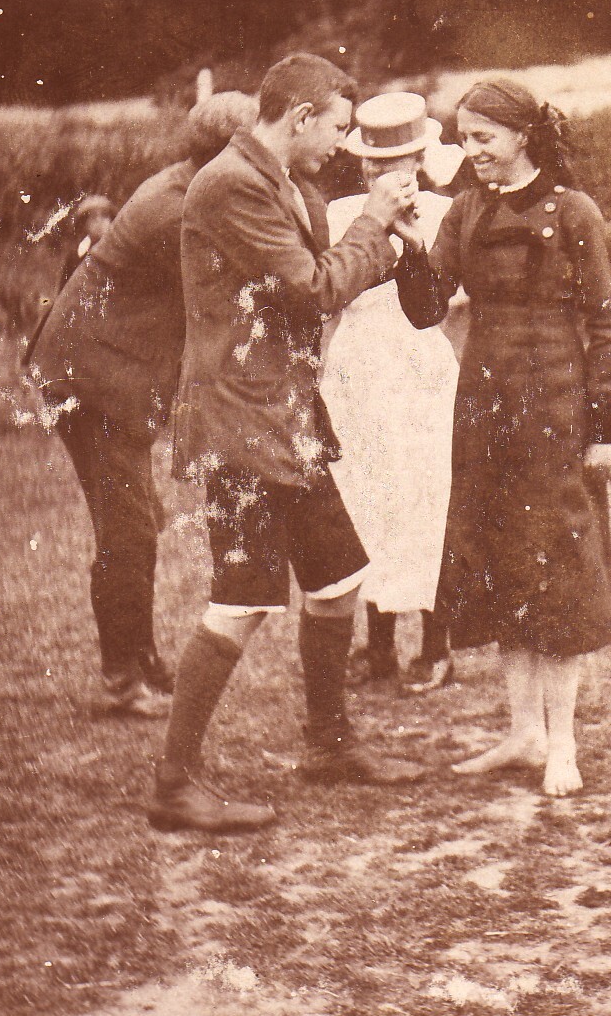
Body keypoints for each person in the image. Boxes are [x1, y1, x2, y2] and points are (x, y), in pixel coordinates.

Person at [149, 53, 426, 835]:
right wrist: (373, 223)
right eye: (336, 129)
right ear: (299, 117)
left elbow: (307, 286)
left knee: (337, 582)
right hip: (243, 424)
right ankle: (173, 783)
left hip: (283, 419)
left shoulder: (278, 182)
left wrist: (388, 246)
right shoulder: (231, 183)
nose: (340, 146)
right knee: (241, 603)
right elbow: (311, 287)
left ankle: (329, 745)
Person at [397, 78, 611, 798]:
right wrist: (407, 247)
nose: (472, 154)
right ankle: (523, 730)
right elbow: (426, 307)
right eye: (465, 141)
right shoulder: (464, 212)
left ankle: (563, 742)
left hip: (556, 410)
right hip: (485, 408)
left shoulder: (576, 211)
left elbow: (607, 324)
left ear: (521, 136)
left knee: (556, 569)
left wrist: (605, 427)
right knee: (498, 561)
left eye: (483, 139)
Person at [28, 91, 260, 718]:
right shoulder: (178, 213)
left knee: (136, 523)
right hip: (91, 380)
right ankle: (123, 678)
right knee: (128, 528)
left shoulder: (191, 189)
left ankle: (140, 661)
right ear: (232, 151)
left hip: (104, 373)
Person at [320, 92, 462, 695]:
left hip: (418, 367)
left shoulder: (441, 214)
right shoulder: (340, 215)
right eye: (378, 165)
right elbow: (329, 287)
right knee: (368, 498)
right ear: (362, 167)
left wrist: (413, 246)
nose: (389, 176)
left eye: (402, 161)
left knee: (427, 498)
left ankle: (436, 646)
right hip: (359, 368)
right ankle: (377, 645)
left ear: (422, 159)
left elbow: (445, 301)